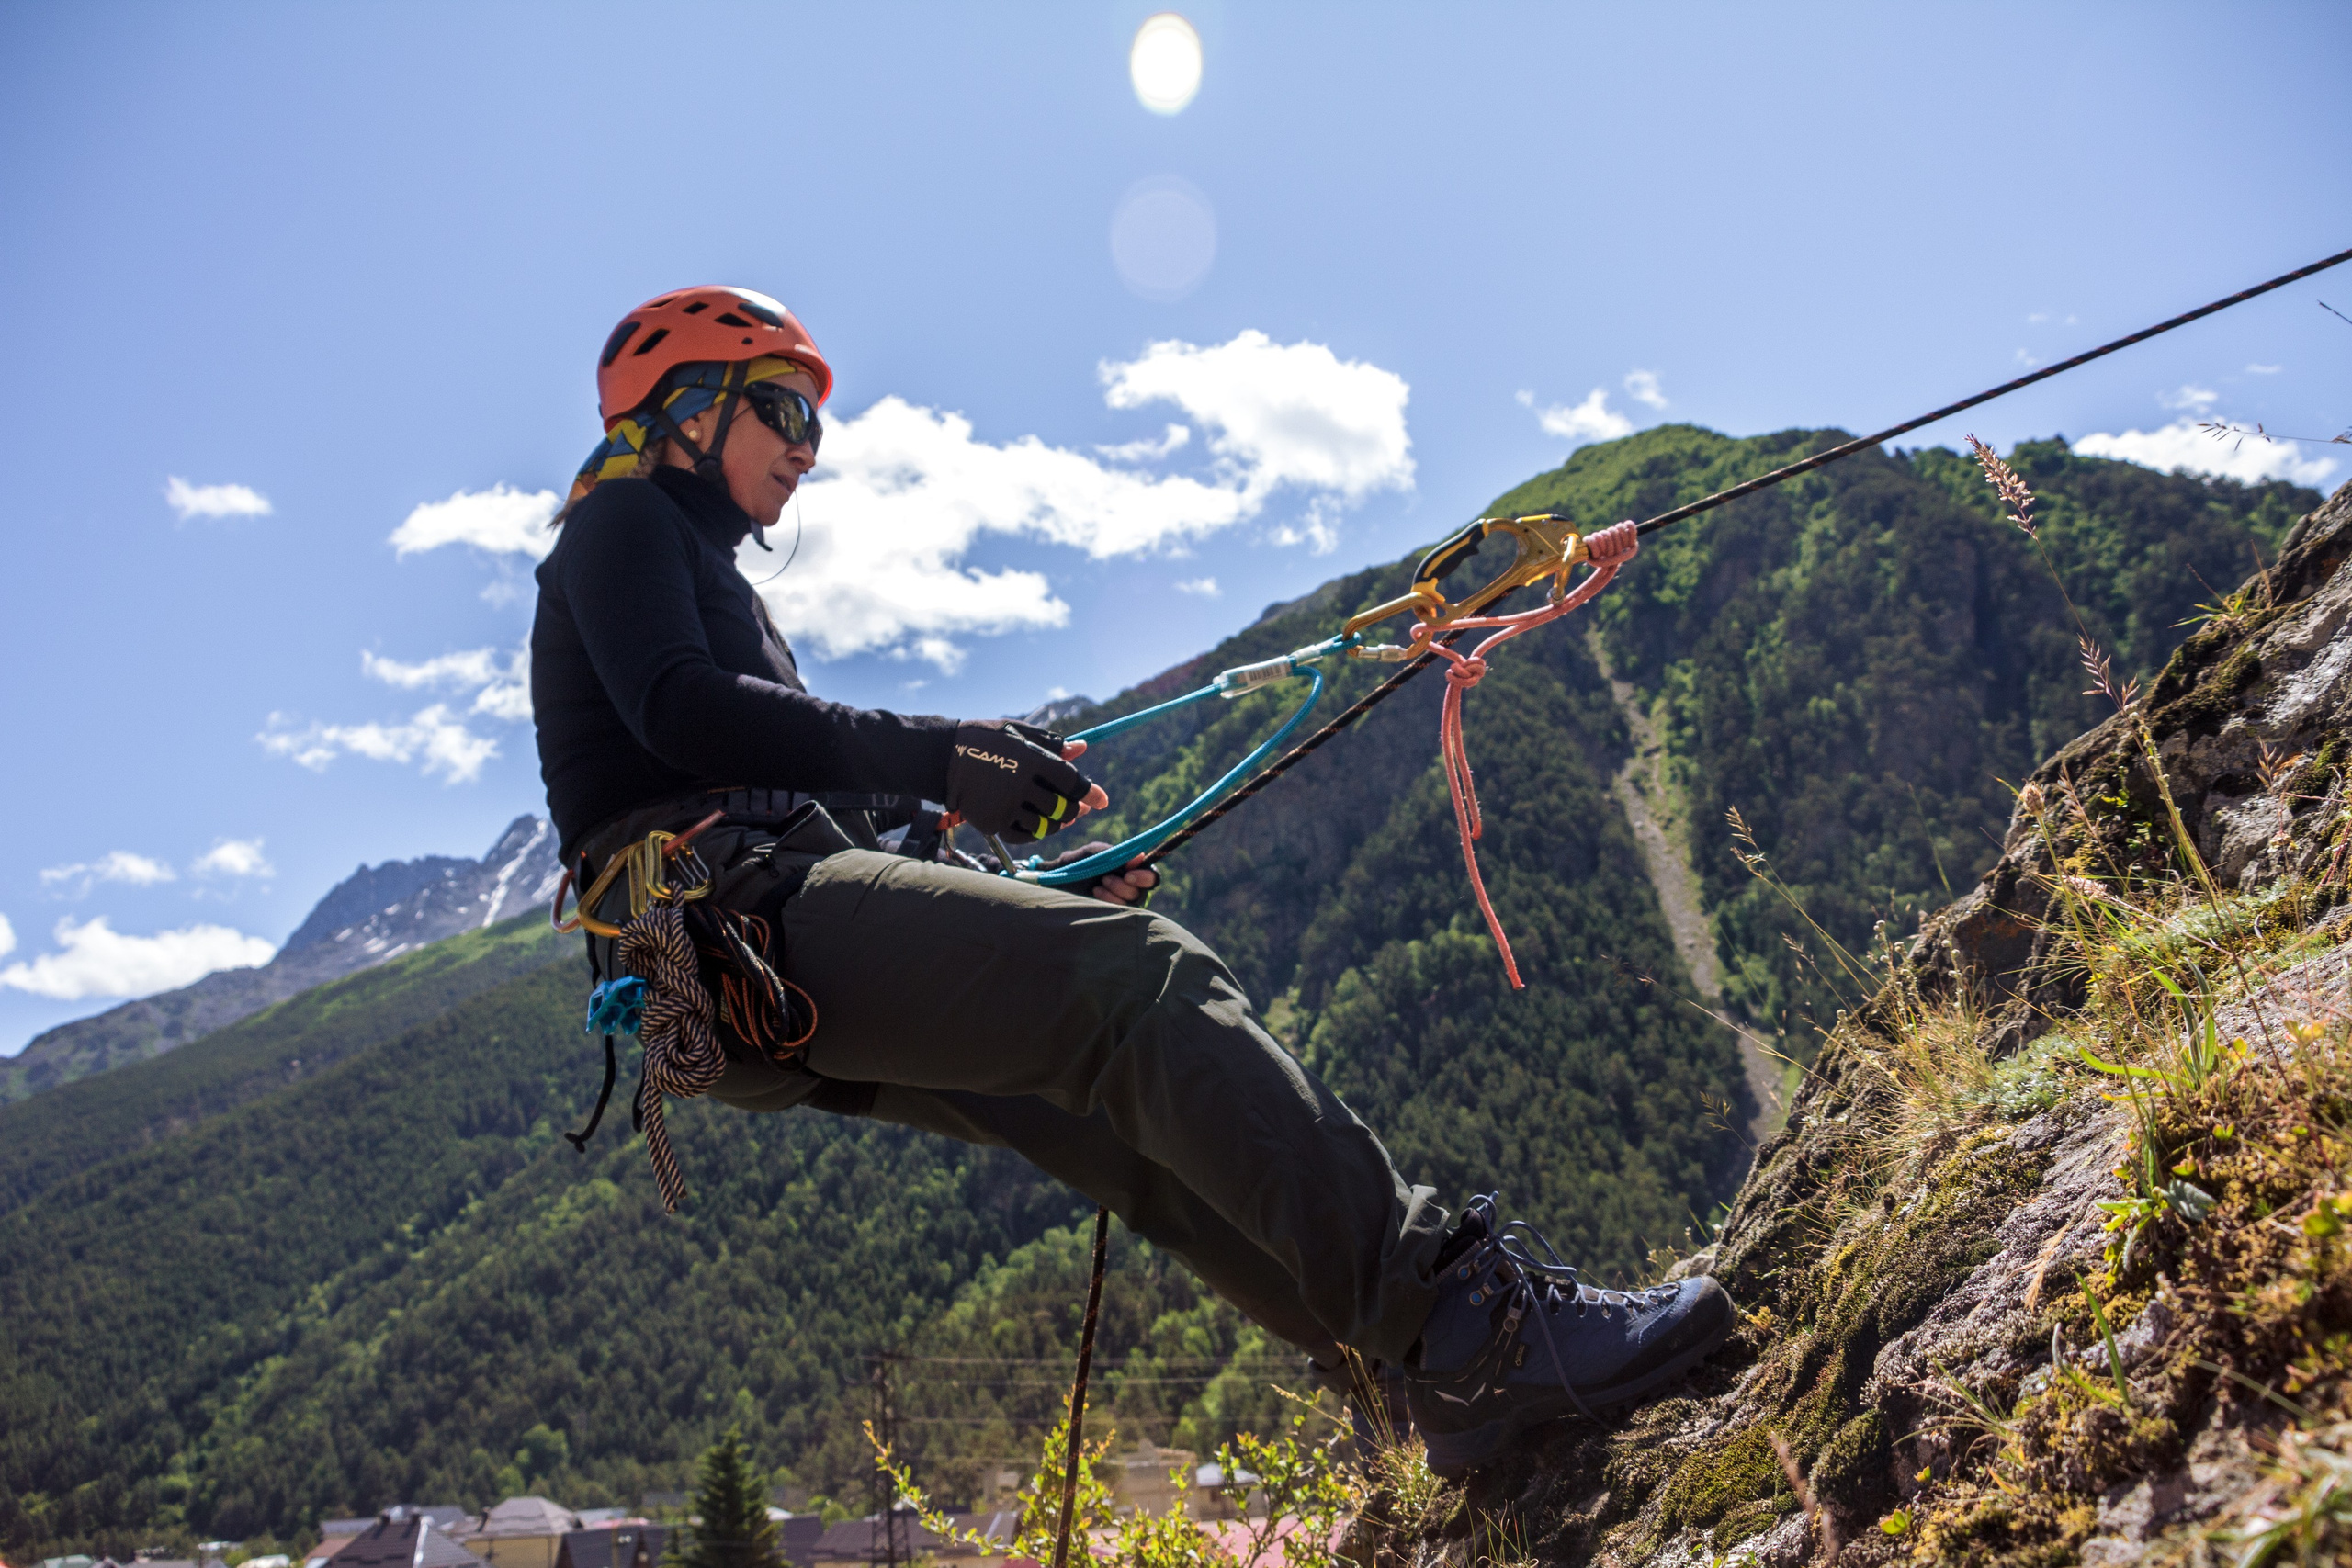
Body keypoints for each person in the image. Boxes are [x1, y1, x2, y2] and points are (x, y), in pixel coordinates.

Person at [529, 285, 1735, 1476]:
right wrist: (944, 756)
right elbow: (682, 717)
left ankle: (1411, 1382)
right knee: (1140, 987)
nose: (807, 446)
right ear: (684, 407)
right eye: (784, 407)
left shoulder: (701, 572)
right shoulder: (622, 525)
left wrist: (1027, 890)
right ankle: (1465, 1327)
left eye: (814, 421)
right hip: (736, 926)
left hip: (740, 955)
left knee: (1097, 1114)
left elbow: (778, 787)